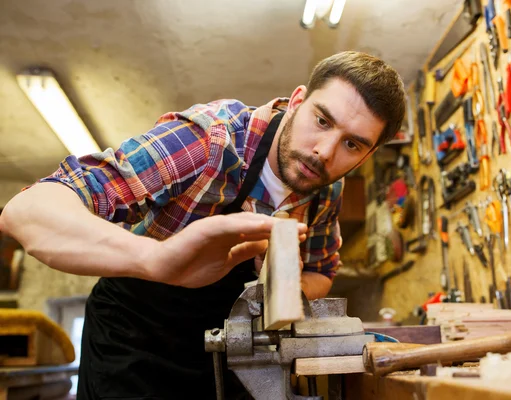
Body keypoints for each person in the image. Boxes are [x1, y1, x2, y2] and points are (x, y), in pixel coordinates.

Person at [0, 50, 405, 399]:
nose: (324, 152)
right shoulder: (211, 141)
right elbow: (27, 211)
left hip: (224, 348)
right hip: (133, 339)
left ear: (367, 154)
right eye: (321, 121)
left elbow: (322, 270)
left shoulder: (326, 191)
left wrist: (283, 285)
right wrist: (156, 259)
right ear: (298, 100)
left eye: (352, 144)